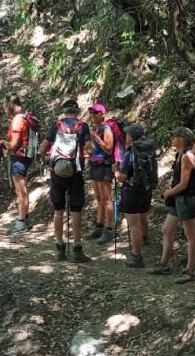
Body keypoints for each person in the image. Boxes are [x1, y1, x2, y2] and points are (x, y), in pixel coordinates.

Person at [40, 100, 93, 263]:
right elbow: (89, 148)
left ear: (64, 112)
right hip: (75, 172)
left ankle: (60, 248)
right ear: (77, 111)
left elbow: (43, 148)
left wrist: (48, 164)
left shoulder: (56, 125)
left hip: (57, 173)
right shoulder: (83, 127)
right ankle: (77, 249)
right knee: (76, 210)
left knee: (58, 210)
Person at [147, 127, 195, 284]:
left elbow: (184, 184)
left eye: (174, 136)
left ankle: (190, 271)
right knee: (166, 230)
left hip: (186, 199)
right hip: (179, 199)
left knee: (190, 235)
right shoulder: (181, 155)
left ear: (181, 139)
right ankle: (164, 264)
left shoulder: (187, 157)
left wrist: (168, 193)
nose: (172, 139)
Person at [115, 125, 153, 268]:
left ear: (131, 137)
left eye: (127, 134)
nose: (126, 136)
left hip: (131, 191)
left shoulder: (129, 154)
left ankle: (137, 256)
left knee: (134, 225)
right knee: (143, 216)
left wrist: (116, 172)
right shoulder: (149, 150)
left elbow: (123, 177)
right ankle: (145, 240)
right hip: (146, 190)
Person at [4, 93, 33, 234]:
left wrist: (3, 143)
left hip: (19, 158)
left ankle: (22, 221)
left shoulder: (17, 121)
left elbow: (14, 144)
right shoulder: (24, 118)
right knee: (22, 190)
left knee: (21, 191)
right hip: (25, 157)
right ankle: (24, 218)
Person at [87, 103, 116, 244]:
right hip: (94, 164)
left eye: (96, 113)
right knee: (98, 198)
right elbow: (92, 149)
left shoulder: (107, 129)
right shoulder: (94, 128)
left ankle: (109, 228)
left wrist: (96, 138)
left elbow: (109, 149)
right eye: (92, 113)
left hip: (104, 165)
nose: (93, 116)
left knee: (106, 199)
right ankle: (99, 226)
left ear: (103, 114)